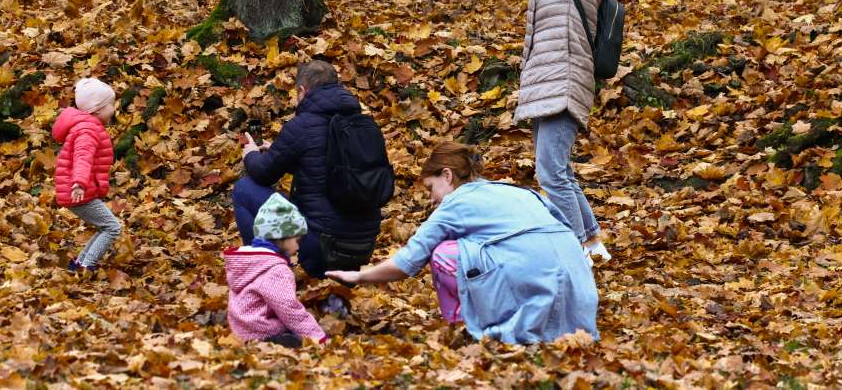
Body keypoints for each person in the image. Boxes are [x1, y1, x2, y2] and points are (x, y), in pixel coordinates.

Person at [326, 142, 598, 344]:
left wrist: (359, 276)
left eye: (431, 188)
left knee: (444, 253)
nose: (431, 200)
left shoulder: (455, 203)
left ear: (447, 175)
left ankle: (464, 327)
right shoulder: (518, 191)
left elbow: (406, 263)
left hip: (537, 288)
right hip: (580, 295)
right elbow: (566, 230)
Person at [485, 0, 619, 261]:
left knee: (550, 173)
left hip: (565, 80)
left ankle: (573, 248)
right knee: (558, 171)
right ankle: (592, 245)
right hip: (544, 82)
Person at [232, 60, 381, 278]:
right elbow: (327, 169)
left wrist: (251, 154)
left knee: (244, 189)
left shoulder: (302, 125)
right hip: (363, 247)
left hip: (321, 246)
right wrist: (281, 151)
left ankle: (265, 273)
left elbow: (264, 173)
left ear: (302, 91)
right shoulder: (363, 124)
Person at [224, 194, 327, 347]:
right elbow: (289, 309)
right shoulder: (275, 269)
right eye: (296, 240)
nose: (298, 247)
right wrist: (317, 337)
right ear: (281, 237)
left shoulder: (250, 260)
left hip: (241, 327)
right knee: (296, 338)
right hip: (261, 331)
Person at [52, 77, 122, 271]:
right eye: (110, 105)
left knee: (106, 227)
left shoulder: (86, 126)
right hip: (79, 191)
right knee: (112, 228)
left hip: (80, 190)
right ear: (97, 110)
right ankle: (86, 266)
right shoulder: (88, 130)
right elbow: (83, 157)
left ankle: (79, 264)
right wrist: (80, 183)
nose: (113, 109)